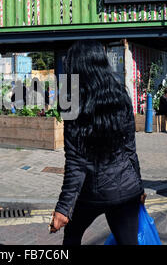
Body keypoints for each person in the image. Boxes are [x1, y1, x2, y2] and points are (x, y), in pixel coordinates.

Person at [49, 40, 146, 245]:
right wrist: (139, 187)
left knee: (72, 236)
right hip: (126, 189)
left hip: (91, 191)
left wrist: (63, 208)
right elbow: (130, 149)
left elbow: (76, 161)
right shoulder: (120, 95)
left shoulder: (72, 101)